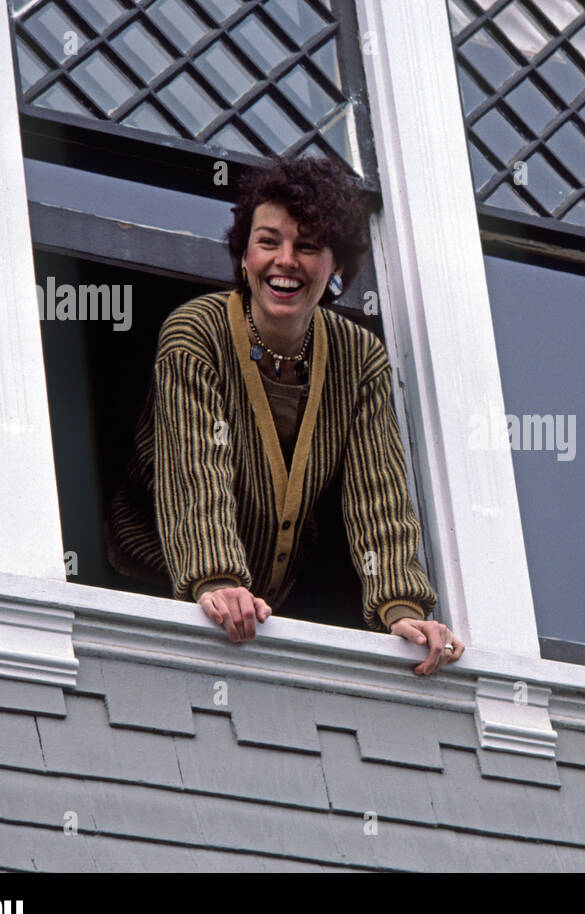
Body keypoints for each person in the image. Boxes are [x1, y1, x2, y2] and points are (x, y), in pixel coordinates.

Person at [105, 154, 463, 676]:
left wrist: (402, 609)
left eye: (309, 246)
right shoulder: (196, 333)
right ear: (245, 255)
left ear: (336, 265)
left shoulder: (360, 359)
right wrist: (216, 578)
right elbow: (194, 473)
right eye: (269, 242)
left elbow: (378, 499)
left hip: (263, 612)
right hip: (144, 582)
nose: (285, 260)